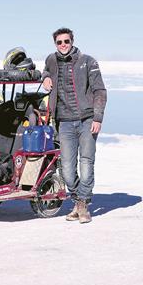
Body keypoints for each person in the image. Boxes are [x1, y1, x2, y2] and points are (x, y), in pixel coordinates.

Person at [42, 27, 106, 224]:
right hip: (64, 123)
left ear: (72, 41)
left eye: (66, 41)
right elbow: (46, 70)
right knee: (67, 170)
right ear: (55, 44)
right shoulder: (51, 60)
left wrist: (97, 118)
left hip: (86, 121)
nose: (63, 45)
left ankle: (83, 204)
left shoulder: (88, 61)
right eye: (59, 42)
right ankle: (78, 200)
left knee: (86, 163)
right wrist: (45, 77)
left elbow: (100, 91)